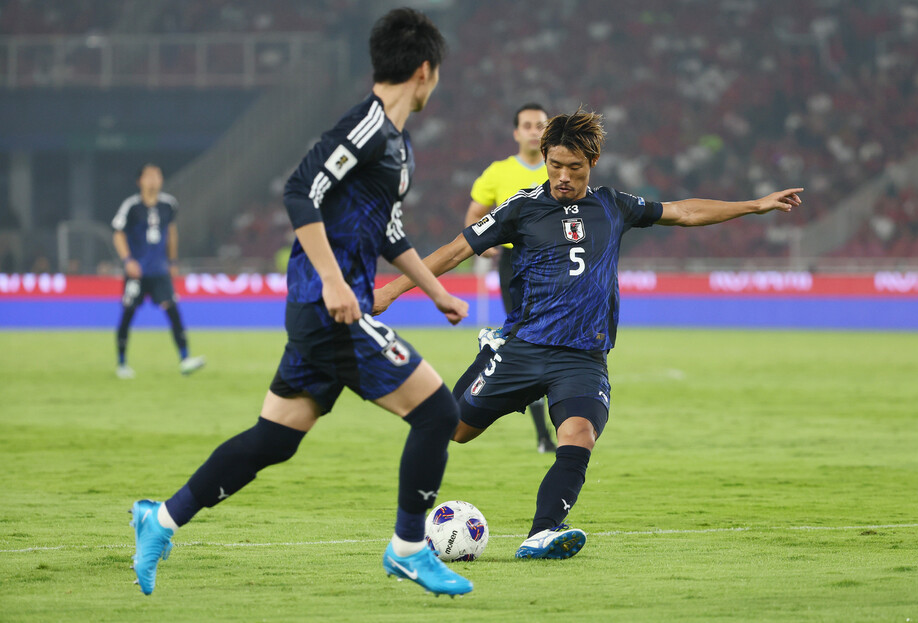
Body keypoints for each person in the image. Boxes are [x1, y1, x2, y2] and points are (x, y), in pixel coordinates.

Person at [129, 8, 473, 598]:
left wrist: (436, 289)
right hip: (328, 307)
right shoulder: (365, 127)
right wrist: (336, 281)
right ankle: (410, 549)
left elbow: (389, 231)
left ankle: (159, 520)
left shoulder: (397, 147)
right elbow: (300, 189)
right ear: (425, 70)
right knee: (439, 412)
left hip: (326, 309)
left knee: (275, 438)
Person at [374, 108, 803, 560]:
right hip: (523, 347)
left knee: (578, 435)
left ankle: (542, 532)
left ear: (591, 163)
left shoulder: (613, 205)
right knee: (455, 430)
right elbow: (457, 249)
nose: (562, 176)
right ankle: (490, 349)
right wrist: (393, 291)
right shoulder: (520, 208)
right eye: (554, 165)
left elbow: (683, 212)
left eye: (573, 168)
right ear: (544, 158)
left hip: (582, 357)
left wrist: (755, 205)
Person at [465, 103, 556, 453]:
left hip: (557, 261)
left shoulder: (559, 169)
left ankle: (553, 428)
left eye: (540, 125)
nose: (534, 131)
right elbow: (475, 215)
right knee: (528, 338)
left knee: (555, 338)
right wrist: (485, 246)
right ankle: (543, 435)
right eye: (527, 125)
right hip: (516, 262)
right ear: (516, 133)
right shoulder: (498, 172)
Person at [111, 163, 205, 379]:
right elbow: (118, 233)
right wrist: (127, 261)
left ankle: (185, 359)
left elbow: (171, 232)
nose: (154, 179)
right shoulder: (131, 206)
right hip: (137, 271)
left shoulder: (168, 205)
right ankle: (122, 363)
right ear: (140, 181)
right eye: (149, 176)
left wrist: (172, 261)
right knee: (128, 312)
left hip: (159, 270)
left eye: (158, 175)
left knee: (172, 310)